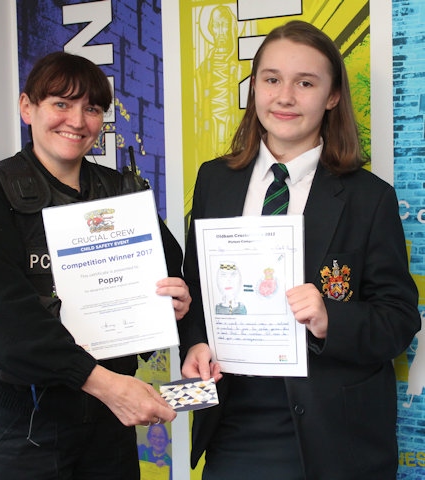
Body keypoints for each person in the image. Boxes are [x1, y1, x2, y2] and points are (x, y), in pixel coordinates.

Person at [179, 20, 421, 480]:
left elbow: (399, 318)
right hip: (234, 423)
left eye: (305, 83)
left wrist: (332, 318)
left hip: (336, 435)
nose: (284, 97)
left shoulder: (370, 198)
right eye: (271, 79)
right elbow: (198, 290)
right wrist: (194, 340)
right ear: (255, 89)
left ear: (331, 96)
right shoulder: (215, 180)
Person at [0, 51, 190, 480]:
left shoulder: (122, 192)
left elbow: (169, 271)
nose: (77, 120)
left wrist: (174, 300)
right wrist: (106, 385)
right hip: (23, 429)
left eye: (91, 108)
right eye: (61, 103)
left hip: (108, 427)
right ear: (27, 107)